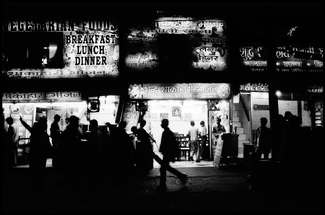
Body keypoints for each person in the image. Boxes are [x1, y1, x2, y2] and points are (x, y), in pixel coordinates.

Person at [20, 116, 52, 193]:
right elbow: (48, 145)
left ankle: (34, 179)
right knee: (40, 167)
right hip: (41, 153)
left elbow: (27, 127)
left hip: (35, 152)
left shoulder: (35, 132)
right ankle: (40, 182)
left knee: (34, 166)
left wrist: (22, 121)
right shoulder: (44, 134)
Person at [157, 119, 187, 192]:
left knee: (164, 168)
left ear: (165, 124)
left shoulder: (167, 133)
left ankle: (163, 184)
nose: (161, 124)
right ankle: (181, 176)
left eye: (162, 123)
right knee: (165, 167)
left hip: (167, 153)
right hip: (167, 153)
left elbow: (168, 144)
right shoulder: (168, 132)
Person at [85, 119, 104, 193]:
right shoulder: (99, 132)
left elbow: (90, 145)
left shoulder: (93, 133)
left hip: (93, 154)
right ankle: (99, 184)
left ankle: (92, 185)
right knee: (97, 170)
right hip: (99, 153)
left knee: (92, 170)